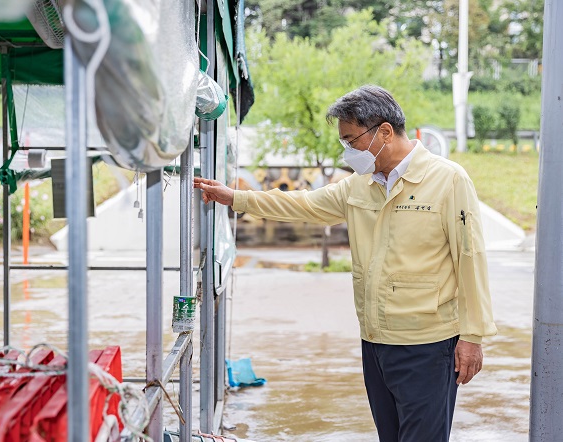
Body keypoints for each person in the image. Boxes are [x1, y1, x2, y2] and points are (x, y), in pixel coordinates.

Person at [194, 85, 497, 442]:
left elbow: (470, 258)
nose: (348, 151)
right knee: (392, 435)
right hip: (375, 341)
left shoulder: (448, 180)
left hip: (427, 345)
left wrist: (473, 337)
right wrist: (235, 197)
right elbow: (303, 205)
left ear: (384, 131)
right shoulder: (360, 185)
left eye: (352, 140)